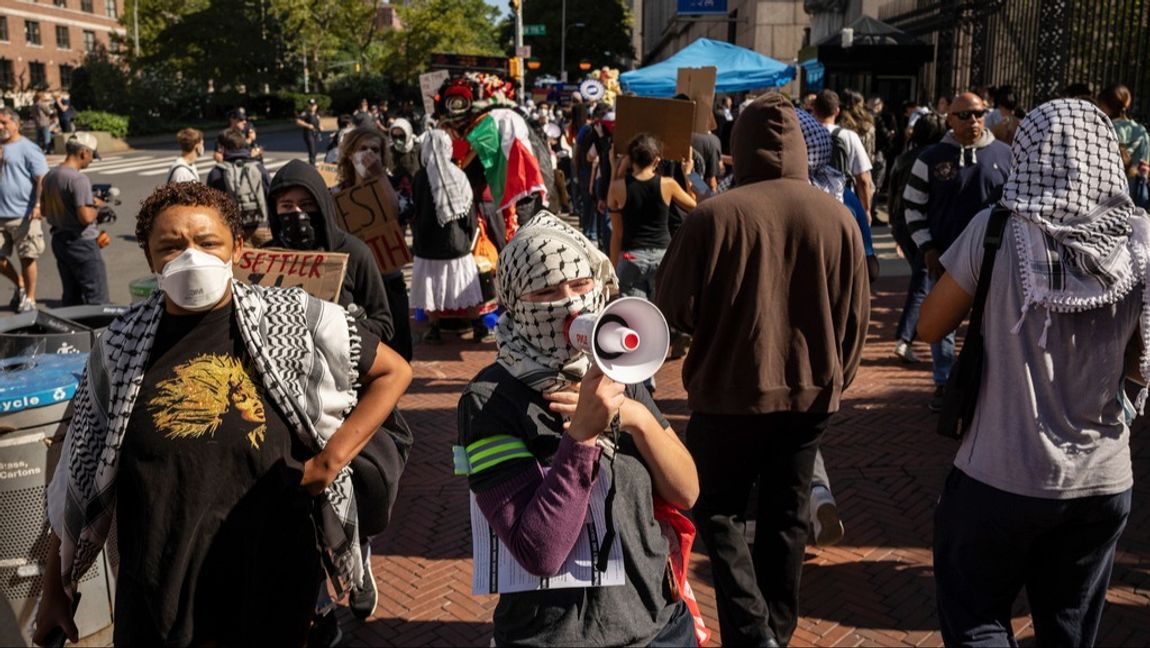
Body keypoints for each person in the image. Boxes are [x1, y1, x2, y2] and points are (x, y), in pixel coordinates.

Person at [33, 181, 413, 646]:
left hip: (272, 583)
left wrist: (330, 462)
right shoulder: (118, 349)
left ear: (236, 247)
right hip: (157, 589)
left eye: (207, 242)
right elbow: (78, 472)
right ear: (151, 259)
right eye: (171, 246)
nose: (191, 256)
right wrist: (55, 591)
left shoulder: (292, 320)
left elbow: (393, 372)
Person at [920, 98, 1146, 648]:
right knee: (1069, 629)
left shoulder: (996, 230)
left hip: (1001, 472)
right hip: (1103, 478)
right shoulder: (1140, 237)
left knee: (975, 616)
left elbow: (930, 325)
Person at [655, 94, 869, 647]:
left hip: (727, 394)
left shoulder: (713, 215)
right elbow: (857, 315)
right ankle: (774, 629)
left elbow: (672, 307)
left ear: (739, 146)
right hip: (810, 394)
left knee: (716, 508)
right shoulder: (838, 217)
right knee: (786, 515)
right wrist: (833, 378)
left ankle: (754, 632)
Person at [457, 212, 700, 647]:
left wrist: (636, 417)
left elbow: (687, 491)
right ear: (515, 302)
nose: (569, 303)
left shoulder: (616, 372)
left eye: (580, 285)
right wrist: (582, 436)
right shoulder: (488, 401)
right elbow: (539, 551)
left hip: (660, 624)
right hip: (556, 637)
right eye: (547, 291)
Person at [903, 92, 1011, 410]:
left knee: (991, 322)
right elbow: (912, 206)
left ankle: (987, 384)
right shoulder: (931, 157)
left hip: (995, 260)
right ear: (949, 118)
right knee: (945, 323)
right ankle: (944, 382)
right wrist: (928, 247)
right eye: (963, 115)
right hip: (946, 259)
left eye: (978, 113)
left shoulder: (1006, 156)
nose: (973, 121)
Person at [336, 126, 413, 361]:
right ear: (350, 154)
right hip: (356, 284)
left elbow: (394, 212)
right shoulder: (337, 192)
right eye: (362, 149)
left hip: (388, 280)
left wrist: (378, 177)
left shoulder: (395, 184)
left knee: (398, 353)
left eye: (375, 150)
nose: (369, 154)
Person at [409, 129, 487, 343]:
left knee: (430, 287)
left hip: (428, 244)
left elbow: (417, 210)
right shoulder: (458, 174)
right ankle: (478, 325)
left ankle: (434, 328)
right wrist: (469, 236)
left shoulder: (421, 177)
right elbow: (469, 211)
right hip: (457, 242)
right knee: (465, 285)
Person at [887, 113, 948, 364]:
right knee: (923, 280)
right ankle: (906, 338)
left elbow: (891, 193)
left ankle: (910, 335)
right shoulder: (934, 160)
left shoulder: (904, 158)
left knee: (922, 278)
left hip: (902, 223)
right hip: (920, 225)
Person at [41, 132, 108, 306]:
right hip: (81, 243)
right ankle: (100, 332)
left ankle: (74, 331)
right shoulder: (78, 179)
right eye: (92, 155)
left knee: (71, 297)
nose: (91, 160)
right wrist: (97, 208)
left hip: (59, 240)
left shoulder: (50, 175)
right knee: (97, 298)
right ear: (83, 152)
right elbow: (85, 217)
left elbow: (44, 210)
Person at [0, 107, 48, 312]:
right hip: (1, 214)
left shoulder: (28, 148)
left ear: (16, 124)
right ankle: (19, 284)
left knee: (27, 257)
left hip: (24, 214)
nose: (1, 127)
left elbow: (41, 179)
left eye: (4, 122)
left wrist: (38, 205)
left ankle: (30, 298)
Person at [813, 89, 875, 220]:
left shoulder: (804, 135)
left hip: (811, 203)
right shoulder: (849, 136)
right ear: (837, 111)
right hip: (842, 205)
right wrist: (866, 210)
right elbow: (863, 179)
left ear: (814, 110)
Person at [207, 128, 272, 246]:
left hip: (234, 232)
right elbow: (272, 196)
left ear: (222, 148)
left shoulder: (217, 173)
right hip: (262, 228)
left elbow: (210, 207)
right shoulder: (258, 168)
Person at [1097, 84, 1150, 209]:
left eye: (1100, 105)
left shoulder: (1105, 128)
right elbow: (1145, 164)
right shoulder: (1141, 131)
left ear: (1106, 105)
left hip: (1108, 191)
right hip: (1134, 189)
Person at [385, 117, 422, 224]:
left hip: (418, 196)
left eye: (401, 136)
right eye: (395, 136)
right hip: (399, 198)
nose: (398, 139)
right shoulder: (390, 151)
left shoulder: (418, 148)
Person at [296, 98, 323, 165]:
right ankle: (312, 165)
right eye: (311, 105)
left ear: (316, 106)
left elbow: (318, 123)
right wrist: (307, 125)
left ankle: (313, 162)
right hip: (309, 133)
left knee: (315, 150)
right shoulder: (306, 113)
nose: (312, 107)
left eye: (314, 105)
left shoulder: (317, 115)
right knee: (312, 150)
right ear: (308, 106)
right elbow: (298, 121)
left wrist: (321, 127)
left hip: (316, 134)